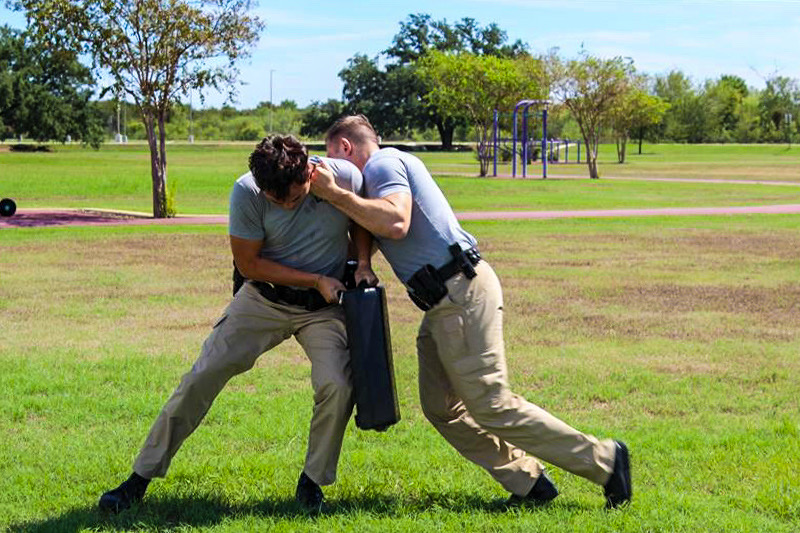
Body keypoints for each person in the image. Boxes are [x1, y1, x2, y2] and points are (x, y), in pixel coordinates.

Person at [309, 115, 632, 509]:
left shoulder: (381, 163)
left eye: (333, 160)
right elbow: (369, 223)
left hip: (459, 292)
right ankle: (528, 482)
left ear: (346, 148)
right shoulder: (377, 179)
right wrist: (358, 261)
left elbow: (395, 222)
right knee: (441, 408)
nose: (335, 175)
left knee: (491, 404)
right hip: (444, 301)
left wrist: (334, 194)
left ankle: (606, 460)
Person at [99, 135, 368, 513]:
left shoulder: (344, 178)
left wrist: (361, 264)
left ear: (309, 171)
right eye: (277, 201)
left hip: (324, 309)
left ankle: (311, 484)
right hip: (264, 298)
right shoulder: (246, 193)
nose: (287, 205)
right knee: (202, 375)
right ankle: (139, 478)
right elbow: (249, 265)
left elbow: (361, 221)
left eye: (295, 197)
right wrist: (314, 280)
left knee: (337, 385)